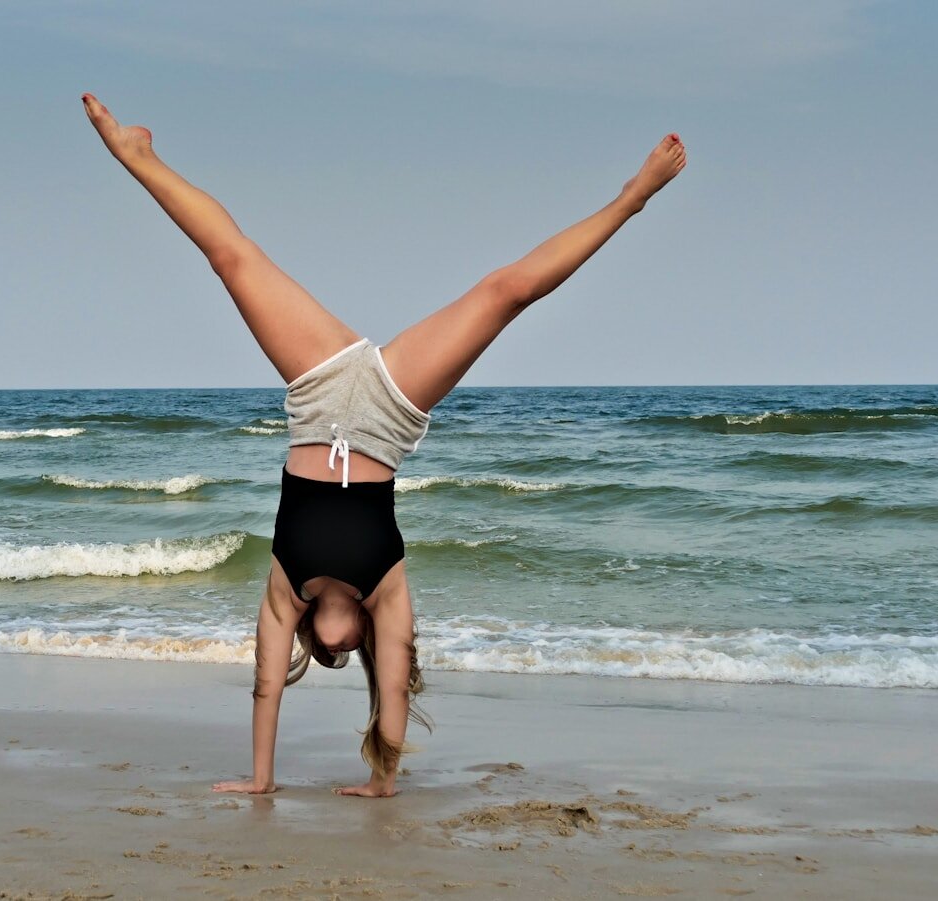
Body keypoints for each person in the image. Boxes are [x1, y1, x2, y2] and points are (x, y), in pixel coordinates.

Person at [81, 93, 685, 798]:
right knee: (504, 292)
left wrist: (260, 779)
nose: (334, 656)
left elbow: (264, 687)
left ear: (315, 642)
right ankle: (632, 199)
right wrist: (383, 782)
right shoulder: (388, 594)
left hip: (319, 393)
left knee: (233, 259)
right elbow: (394, 689)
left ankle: (137, 155)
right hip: (389, 409)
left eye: (323, 657)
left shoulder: (284, 591)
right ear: (360, 646)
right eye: (349, 659)